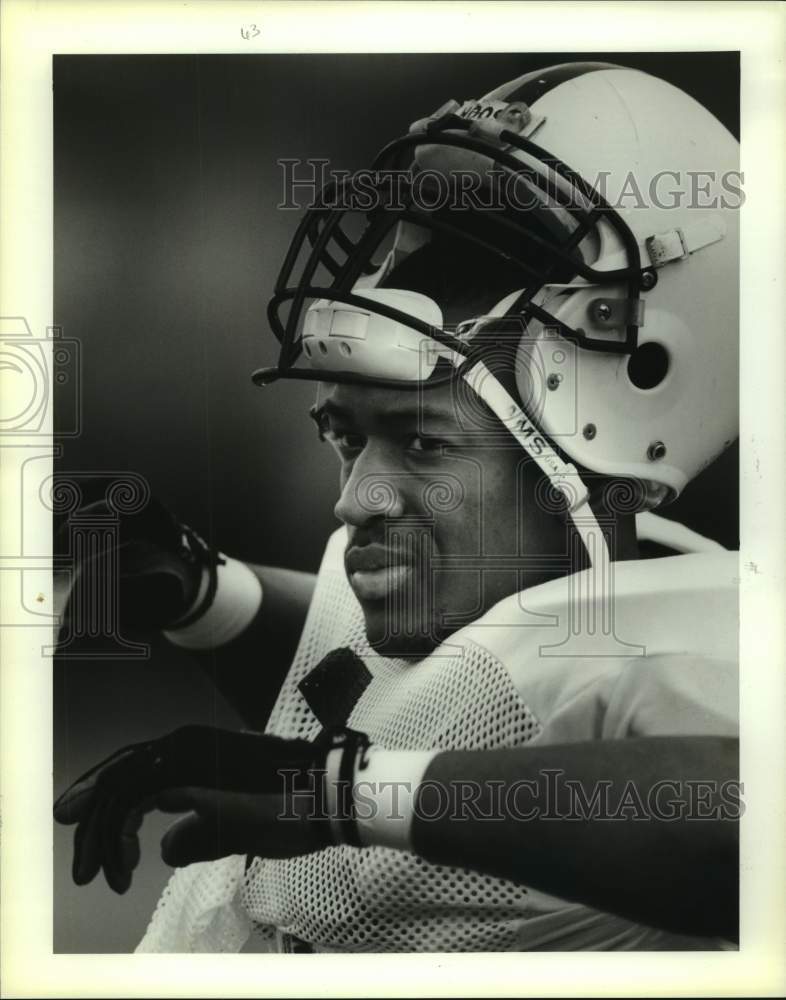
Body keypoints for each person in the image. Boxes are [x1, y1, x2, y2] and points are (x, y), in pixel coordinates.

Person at [54, 61, 740, 952]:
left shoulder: (696, 644)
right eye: (345, 436)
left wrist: (337, 791)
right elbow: (415, 706)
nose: (353, 503)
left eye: (423, 442)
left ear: (643, 385)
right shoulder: (518, 615)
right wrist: (202, 595)